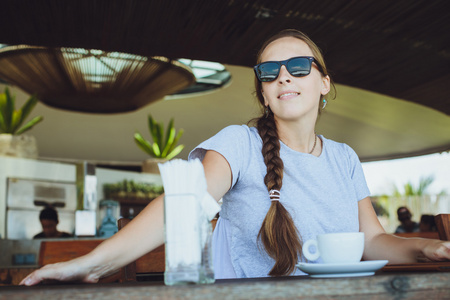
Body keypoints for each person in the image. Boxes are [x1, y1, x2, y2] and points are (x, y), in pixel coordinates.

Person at [21, 29, 450, 285]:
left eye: (299, 66)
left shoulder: (345, 158)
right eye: (269, 71)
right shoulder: (239, 144)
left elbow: (371, 241)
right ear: (264, 92)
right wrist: (92, 263)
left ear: (324, 83)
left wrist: (425, 249)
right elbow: (182, 208)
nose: (283, 75)